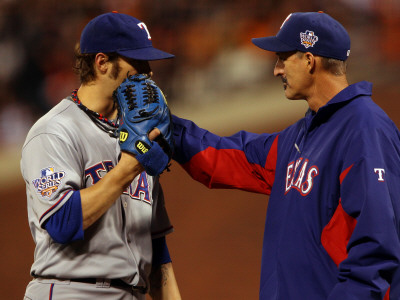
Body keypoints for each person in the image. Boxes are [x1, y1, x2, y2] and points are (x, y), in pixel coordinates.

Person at [171, 12, 400, 299]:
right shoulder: (299, 136)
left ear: (309, 60)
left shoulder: (365, 128)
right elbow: (230, 157)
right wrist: (168, 129)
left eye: (282, 58)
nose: (277, 70)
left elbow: (376, 248)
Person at [21, 12, 181, 300]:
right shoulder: (54, 131)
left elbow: (157, 250)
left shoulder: (140, 135)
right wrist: (126, 170)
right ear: (102, 62)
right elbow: (61, 223)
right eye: (138, 61)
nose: (148, 72)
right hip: (70, 290)